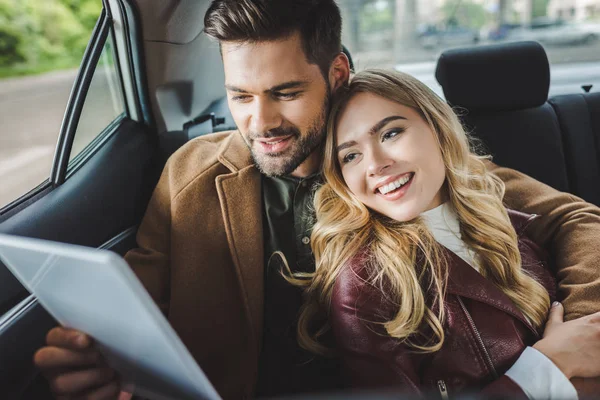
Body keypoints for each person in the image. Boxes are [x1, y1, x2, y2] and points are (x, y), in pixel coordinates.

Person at [32, 1, 600, 399]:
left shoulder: (393, 160)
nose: (262, 122)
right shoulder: (191, 176)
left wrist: (574, 340)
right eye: (241, 96)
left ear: (336, 73)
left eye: (285, 92)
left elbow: (574, 218)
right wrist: (98, 360)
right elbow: (134, 311)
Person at [292, 69, 600, 399]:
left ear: (437, 127)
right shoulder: (364, 286)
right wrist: (548, 366)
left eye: (391, 133)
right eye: (351, 155)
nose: (375, 164)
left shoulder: (498, 213)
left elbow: (578, 221)